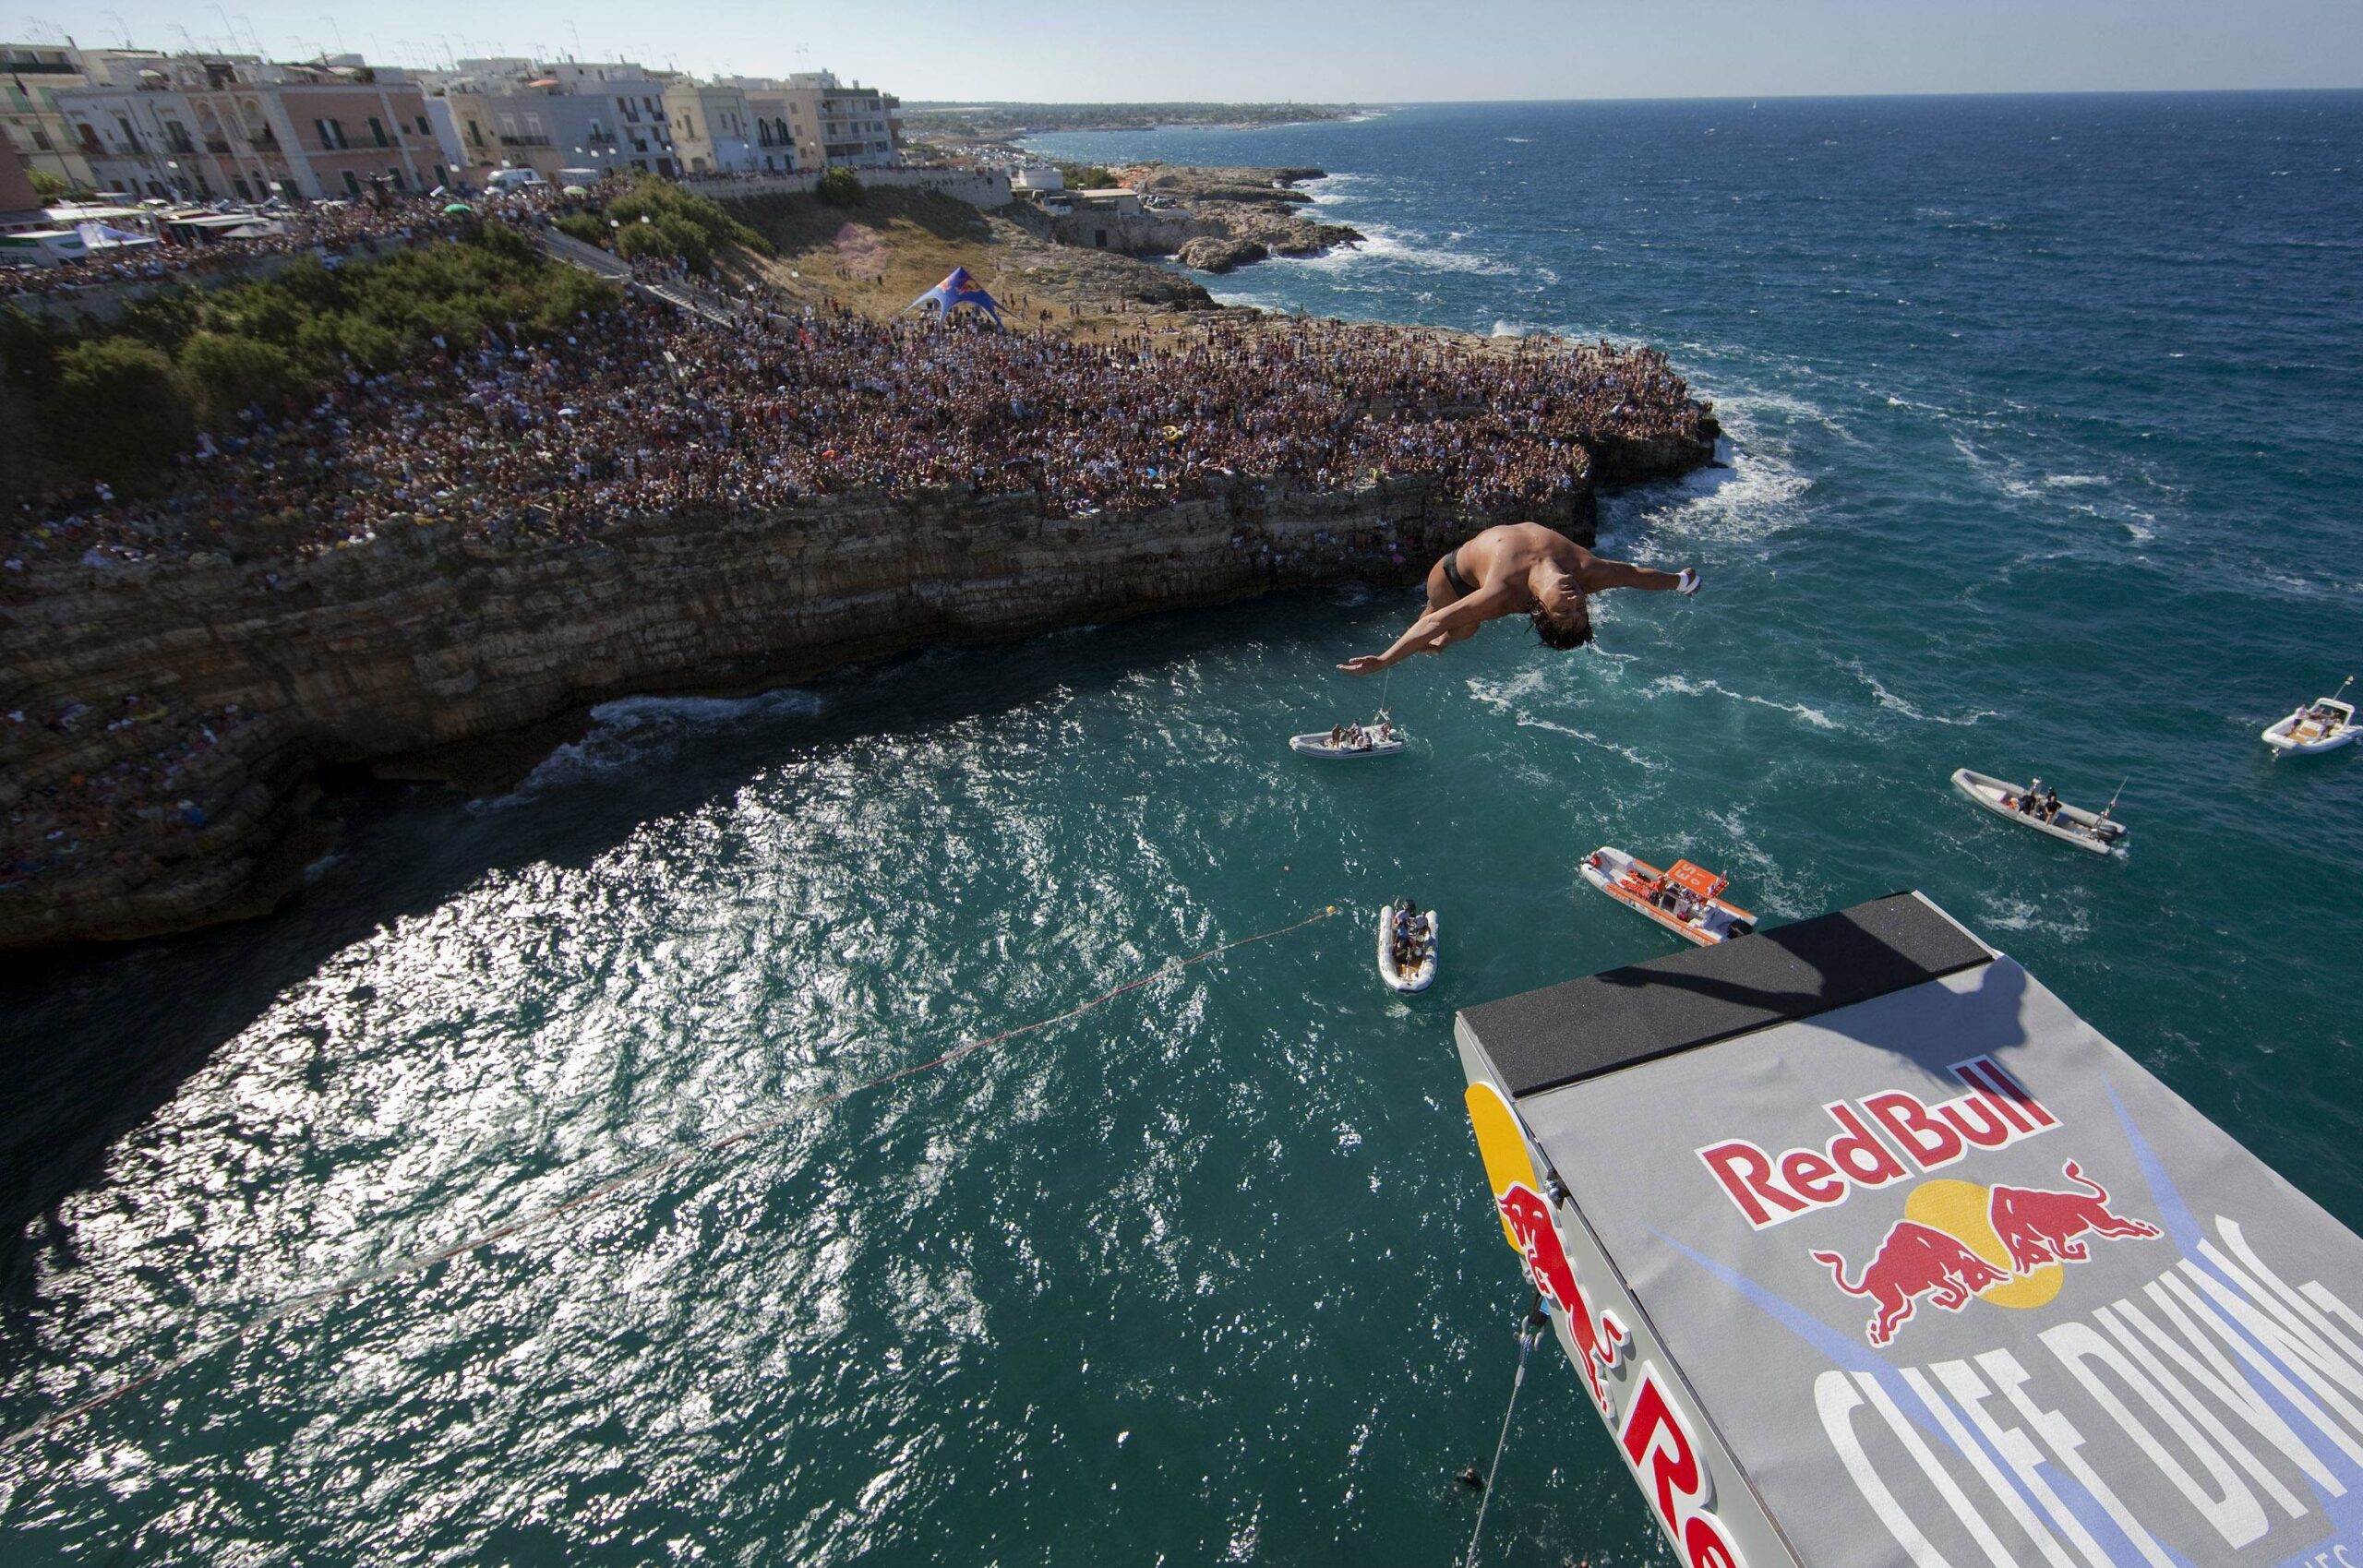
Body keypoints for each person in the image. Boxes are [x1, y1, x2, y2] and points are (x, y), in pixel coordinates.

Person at [1337, 521, 1698, 674]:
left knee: (1459, 627)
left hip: (1452, 578)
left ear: (1542, 609)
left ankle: (1443, 644)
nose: (1574, 600)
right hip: (1465, 573)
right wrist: (1680, 582)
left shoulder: (1505, 592)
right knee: (1457, 622)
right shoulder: (1588, 573)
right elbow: (1636, 576)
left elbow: (1434, 619)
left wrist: (1385, 660)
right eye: (1581, 610)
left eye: (1565, 612)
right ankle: (1442, 640)